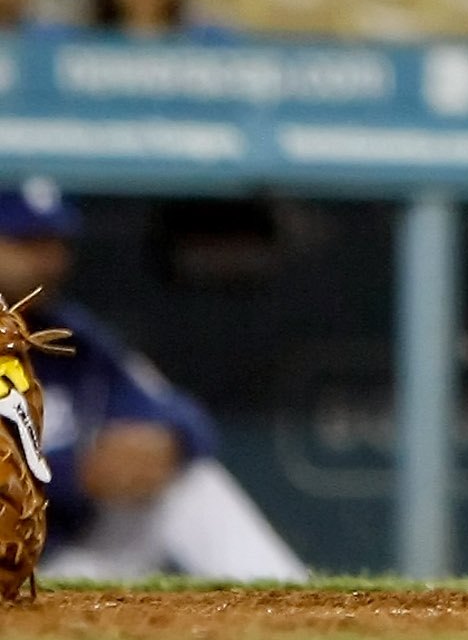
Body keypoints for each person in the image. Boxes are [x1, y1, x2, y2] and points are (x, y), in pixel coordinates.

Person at [0, 178, 305, 579]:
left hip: (60, 561)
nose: (49, 260)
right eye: (27, 242)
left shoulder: (70, 337)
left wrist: (166, 442)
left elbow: (178, 412)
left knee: (188, 478)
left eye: (57, 243)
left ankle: (289, 608)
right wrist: (76, 472)